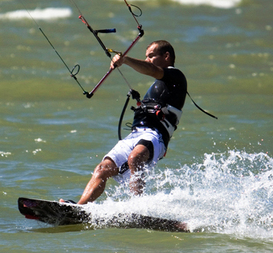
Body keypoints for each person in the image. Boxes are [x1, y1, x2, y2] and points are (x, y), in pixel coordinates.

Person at [61, 40, 187, 205]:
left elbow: (151, 70)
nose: (147, 60)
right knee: (102, 169)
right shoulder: (158, 85)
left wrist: (125, 59)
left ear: (166, 56)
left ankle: (138, 207)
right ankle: (80, 208)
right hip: (136, 134)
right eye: (146, 57)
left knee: (135, 158)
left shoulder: (176, 76)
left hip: (156, 136)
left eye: (151, 56)